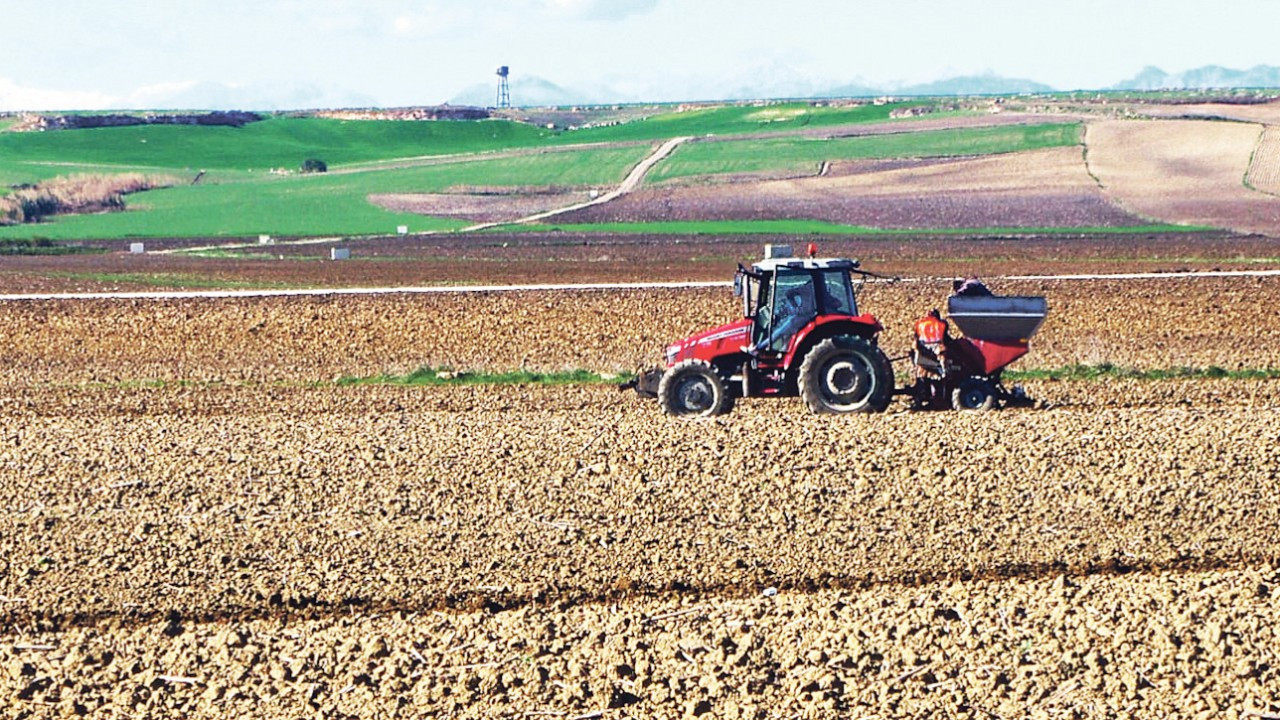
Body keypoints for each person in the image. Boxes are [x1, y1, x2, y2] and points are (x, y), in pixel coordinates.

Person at [744, 288, 813, 355]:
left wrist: (795, 307)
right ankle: (782, 351)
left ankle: (758, 348)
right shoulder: (812, 288)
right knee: (786, 335)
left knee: (780, 331)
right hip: (806, 315)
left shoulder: (806, 288)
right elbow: (789, 294)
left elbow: (789, 293)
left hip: (804, 317)